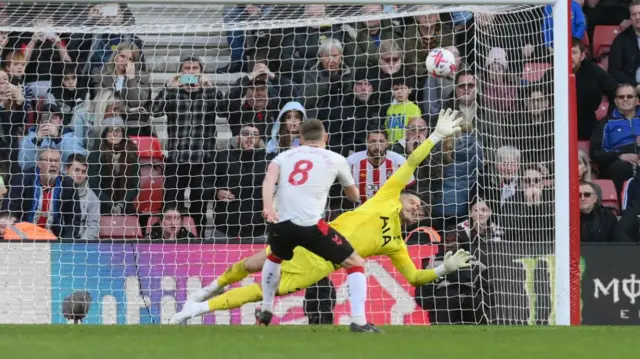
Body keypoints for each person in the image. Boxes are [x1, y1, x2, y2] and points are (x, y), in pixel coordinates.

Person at [168, 109, 471, 330]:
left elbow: (416, 278)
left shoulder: (394, 243)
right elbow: (413, 160)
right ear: (405, 196)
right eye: (414, 201)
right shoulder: (387, 195)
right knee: (250, 265)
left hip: (316, 265)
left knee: (258, 290)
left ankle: (194, 309)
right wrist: (434, 136)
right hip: (310, 238)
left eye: (419, 210)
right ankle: (207, 292)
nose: (416, 207)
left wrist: (445, 267)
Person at [258, 119, 370, 331]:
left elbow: (268, 180)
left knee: (275, 255)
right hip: (310, 225)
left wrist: (268, 208)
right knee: (355, 262)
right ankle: (359, 320)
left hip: (280, 222)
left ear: (299, 138)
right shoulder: (335, 158)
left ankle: (266, 308)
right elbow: (354, 195)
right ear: (325, 137)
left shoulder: (283, 156)